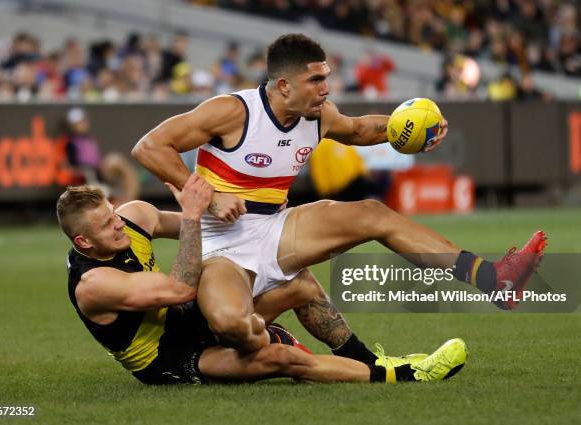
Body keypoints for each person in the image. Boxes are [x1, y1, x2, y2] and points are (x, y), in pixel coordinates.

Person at [132, 34, 546, 356]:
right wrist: (210, 195)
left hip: (275, 227)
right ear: (283, 85)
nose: (326, 87)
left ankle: (493, 278)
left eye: (326, 76)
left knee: (373, 213)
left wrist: (409, 128)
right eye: (316, 80)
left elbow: (358, 130)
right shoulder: (232, 111)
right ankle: (266, 342)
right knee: (229, 327)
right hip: (220, 242)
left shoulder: (318, 114)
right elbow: (149, 147)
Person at [57, 176, 467, 385]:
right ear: (83, 241)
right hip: (168, 357)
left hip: (187, 316)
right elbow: (181, 286)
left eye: (114, 214)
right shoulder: (95, 285)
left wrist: (264, 212)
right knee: (281, 359)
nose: (119, 226)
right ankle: (409, 375)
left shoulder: (133, 216)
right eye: (107, 226)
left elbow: (205, 228)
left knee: (301, 285)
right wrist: (194, 215)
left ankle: (365, 358)